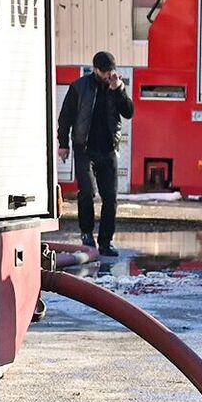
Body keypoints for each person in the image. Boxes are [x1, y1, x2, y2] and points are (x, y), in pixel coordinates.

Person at [57, 52, 134, 256]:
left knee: (110, 196)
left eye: (111, 71)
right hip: (84, 148)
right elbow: (65, 117)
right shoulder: (79, 86)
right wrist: (63, 144)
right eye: (105, 71)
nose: (108, 75)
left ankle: (106, 242)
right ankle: (87, 234)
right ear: (95, 69)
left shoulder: (116, 86)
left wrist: (119, 90)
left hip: (108, 149)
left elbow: (128, 112)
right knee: (87, 192)